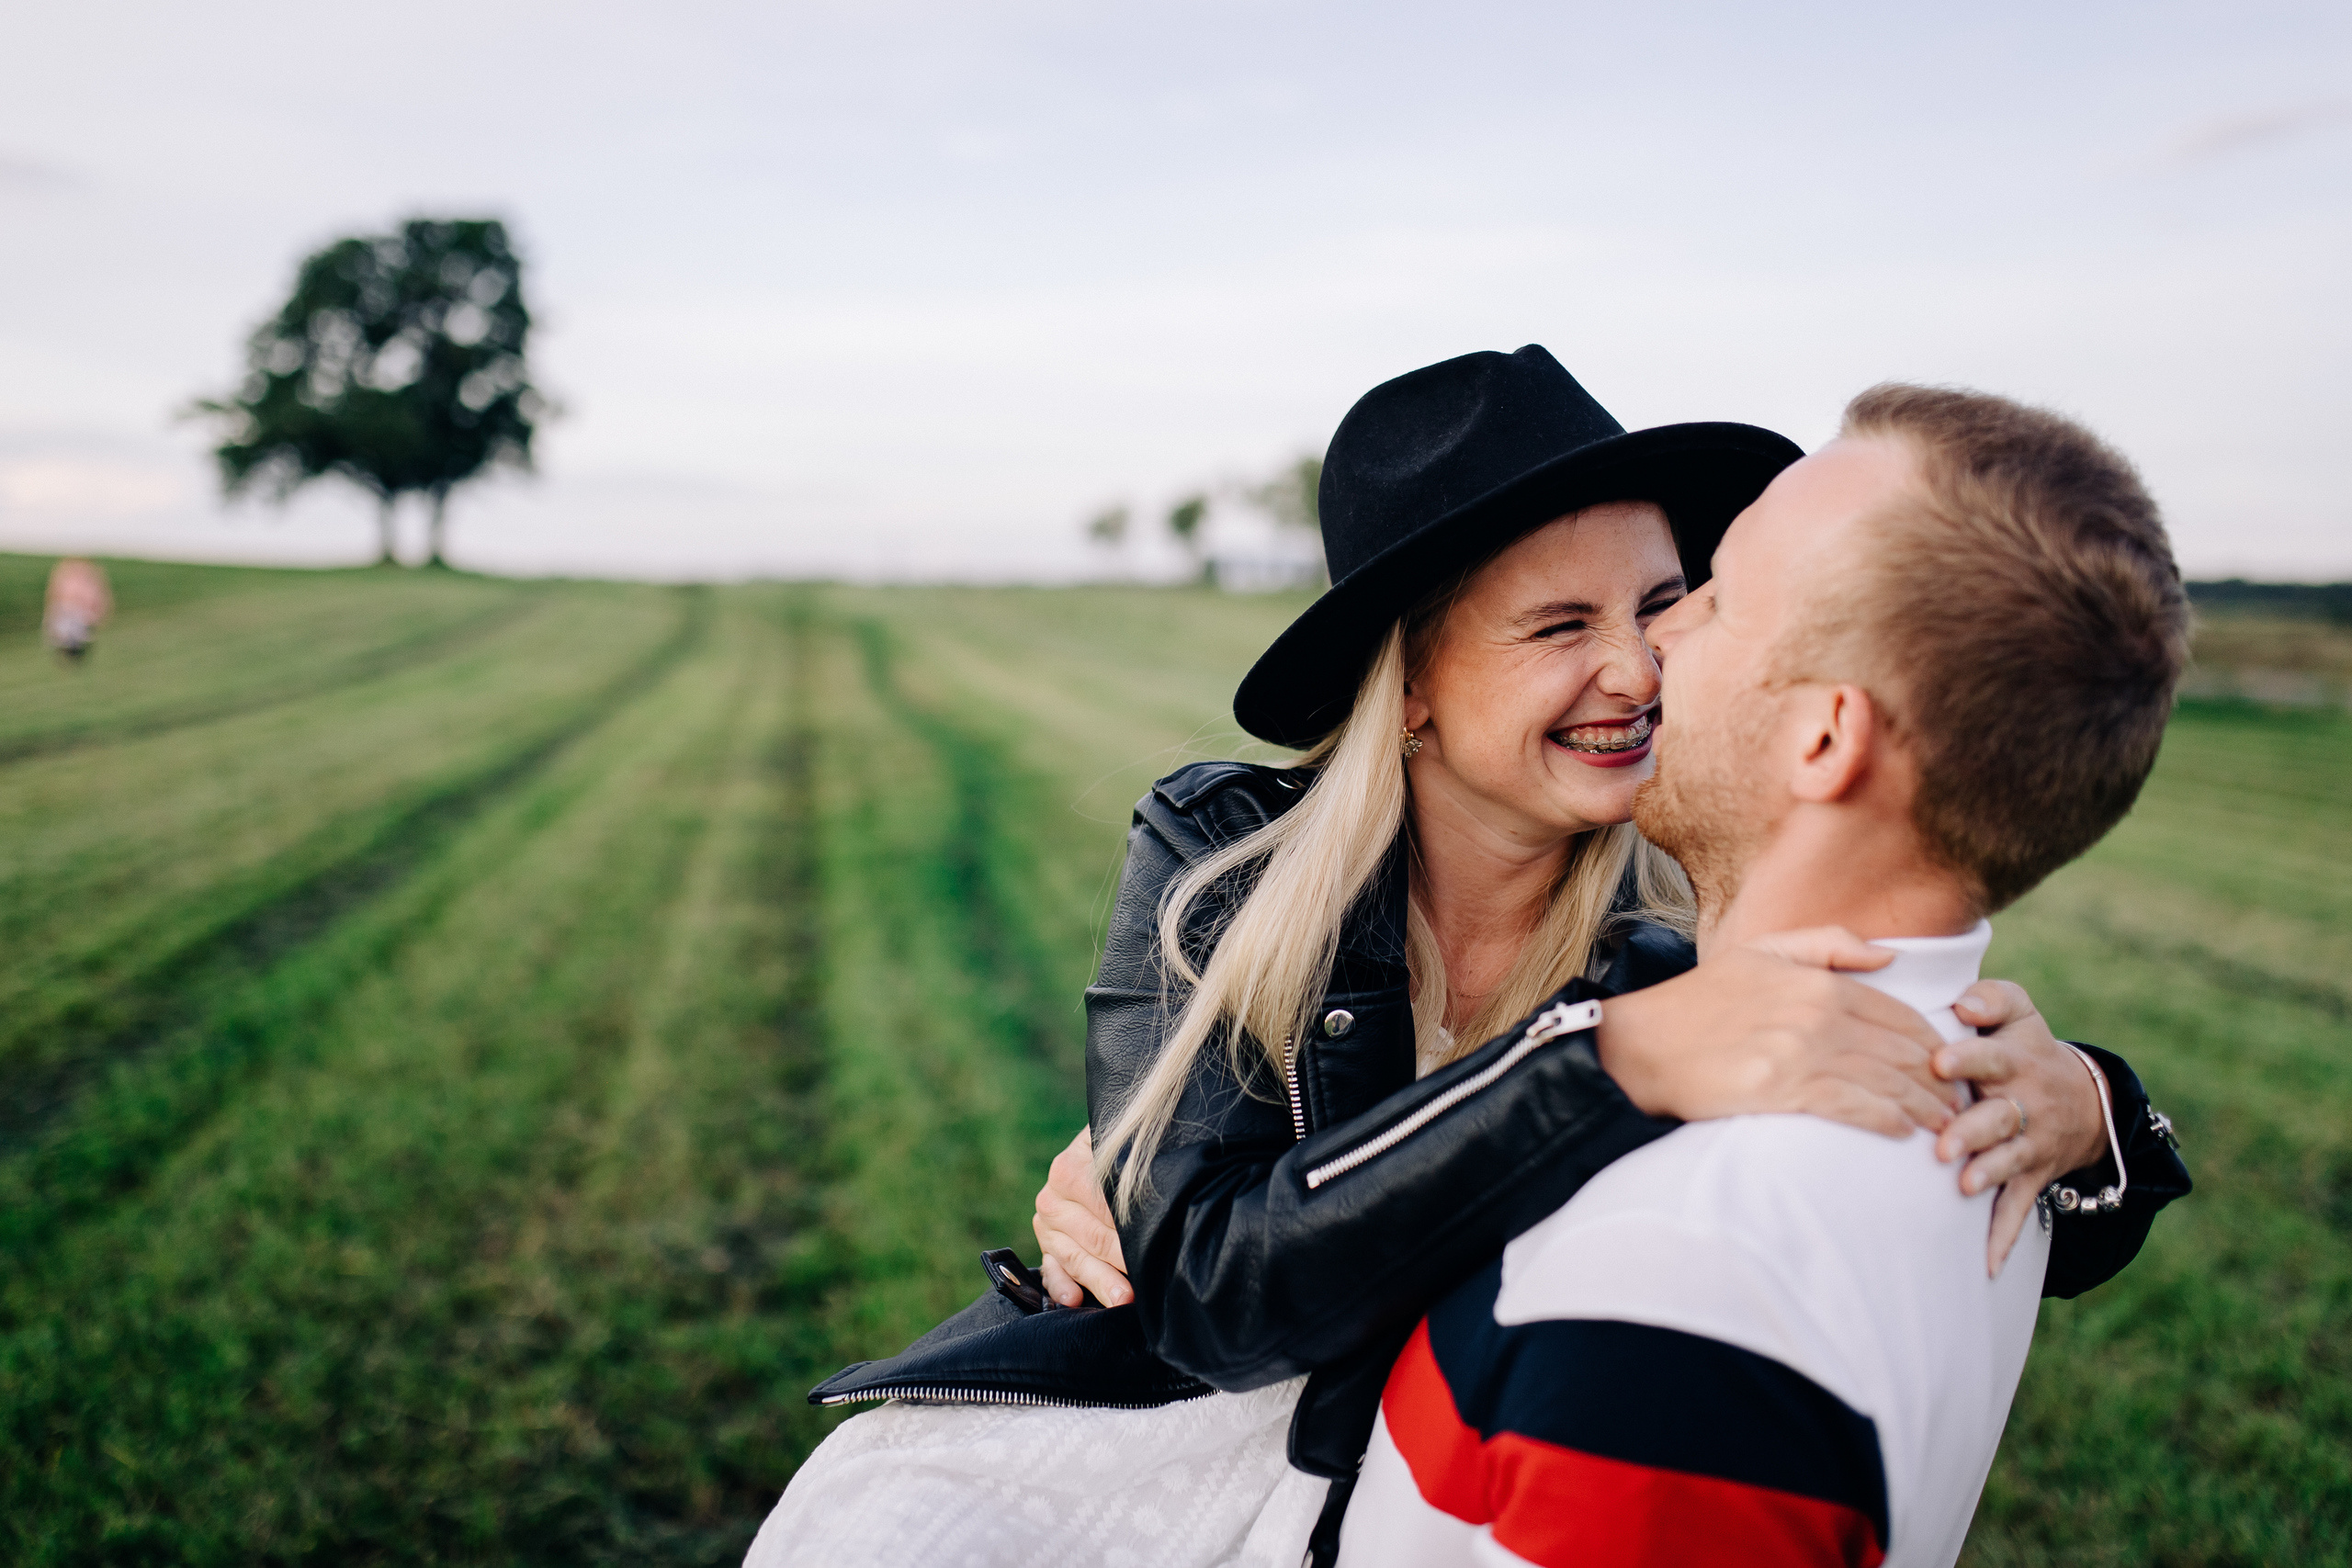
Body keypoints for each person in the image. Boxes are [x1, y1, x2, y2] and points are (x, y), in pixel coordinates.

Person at [747, 350, 2185, 1567]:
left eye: (1662, 600)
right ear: (1416, 685)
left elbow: (1926, 1131)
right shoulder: (1221, 856)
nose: (1640, 666)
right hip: (1142, 1428)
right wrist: (1594, 1066)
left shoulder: (1663, 965)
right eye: (1562, 625)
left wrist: (2097, 1111)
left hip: (1384, 1479)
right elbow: (1206, 1295)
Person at [1338, 384, 2191, 1568]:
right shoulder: (1979, 1093)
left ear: (1826, 738)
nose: (1653, 651)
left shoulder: (1688, 1267)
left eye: (1715, 598)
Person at [43, 557, 112, 661]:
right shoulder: (89, 621)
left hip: (74, 588)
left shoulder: (59, 628)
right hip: (79, 589)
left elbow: (53, 597)